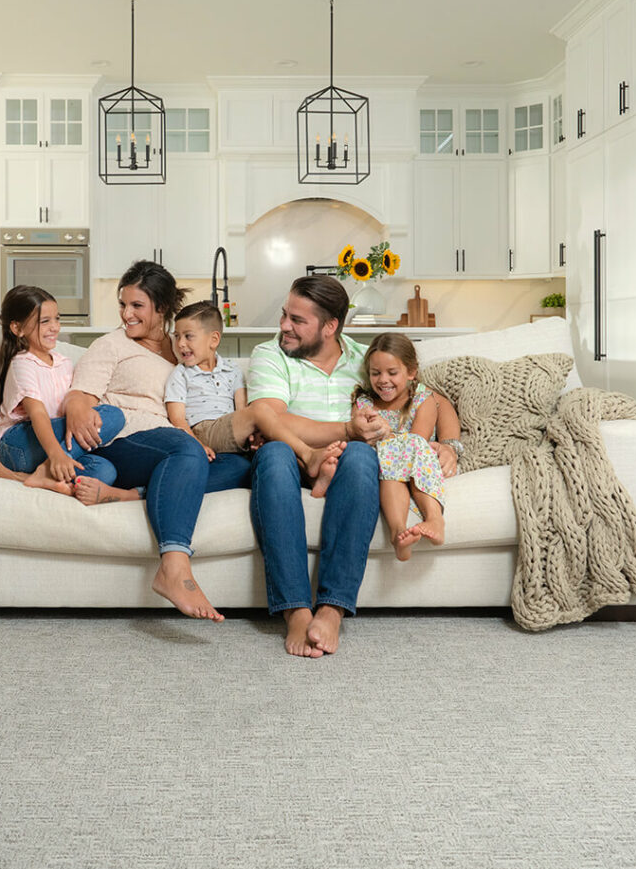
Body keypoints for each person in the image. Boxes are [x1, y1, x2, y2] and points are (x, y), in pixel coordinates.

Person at [247, 275, 462, 658]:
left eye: (297, 320)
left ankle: (332, 607)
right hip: (289, 454)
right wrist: (347, 428)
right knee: (275, 454)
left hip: (347, 458)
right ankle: (295, 609)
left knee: (363, 455)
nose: (284, 326)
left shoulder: (367, 361)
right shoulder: (270, 354)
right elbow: (272, 418)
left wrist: (448, 446)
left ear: (330, 327)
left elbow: (430, 395)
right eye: (285, 315)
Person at [62, 261, 252, 622]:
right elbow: (79, 395)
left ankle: (132, 494)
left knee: (241, 465)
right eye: (123, 304)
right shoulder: (111, 345)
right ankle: (174, 565)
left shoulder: (183, 346)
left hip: (174, 444)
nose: (126, 315)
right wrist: (76, 407)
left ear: (161, 309)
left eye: (137, 306)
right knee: (186, 448)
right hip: (124, 438)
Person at [163, 301, 344, 494]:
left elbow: (242, 411)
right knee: (262, 410)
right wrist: (198, 445)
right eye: (176, 336)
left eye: (188, 336)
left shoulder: (231, 370)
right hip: (203, 431)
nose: (181, 343)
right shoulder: (180, 374)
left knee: (271, 438)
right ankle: (308, 454)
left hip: (229, 431)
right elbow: (178, 419)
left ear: (214, 339)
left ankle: (312, 477)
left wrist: (252, 436)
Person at [0, 285, 125, 495]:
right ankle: (44, 469)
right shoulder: (22, 363)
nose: (54, 327)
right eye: (45, 321)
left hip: (51, 445)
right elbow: (38, 414)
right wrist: (56, 455)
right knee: (113, 415)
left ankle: (34, 477)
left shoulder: (63, 362)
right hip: (18, 445)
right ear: (17, 328)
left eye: (57, 319)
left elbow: (71, 408)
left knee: (106, 471)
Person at [352, 332, 446, 561]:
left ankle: (434, 518)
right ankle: (398, 533)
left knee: (405, 448)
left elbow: (416, 442)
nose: (383, 379)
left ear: (411, 372)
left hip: (416, 464)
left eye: (392, 373)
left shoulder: (424, 400)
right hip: (386, 469)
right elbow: (359, 436)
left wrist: (387, 434)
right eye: (376, 373)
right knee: (389, 464)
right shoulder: (363, 402)